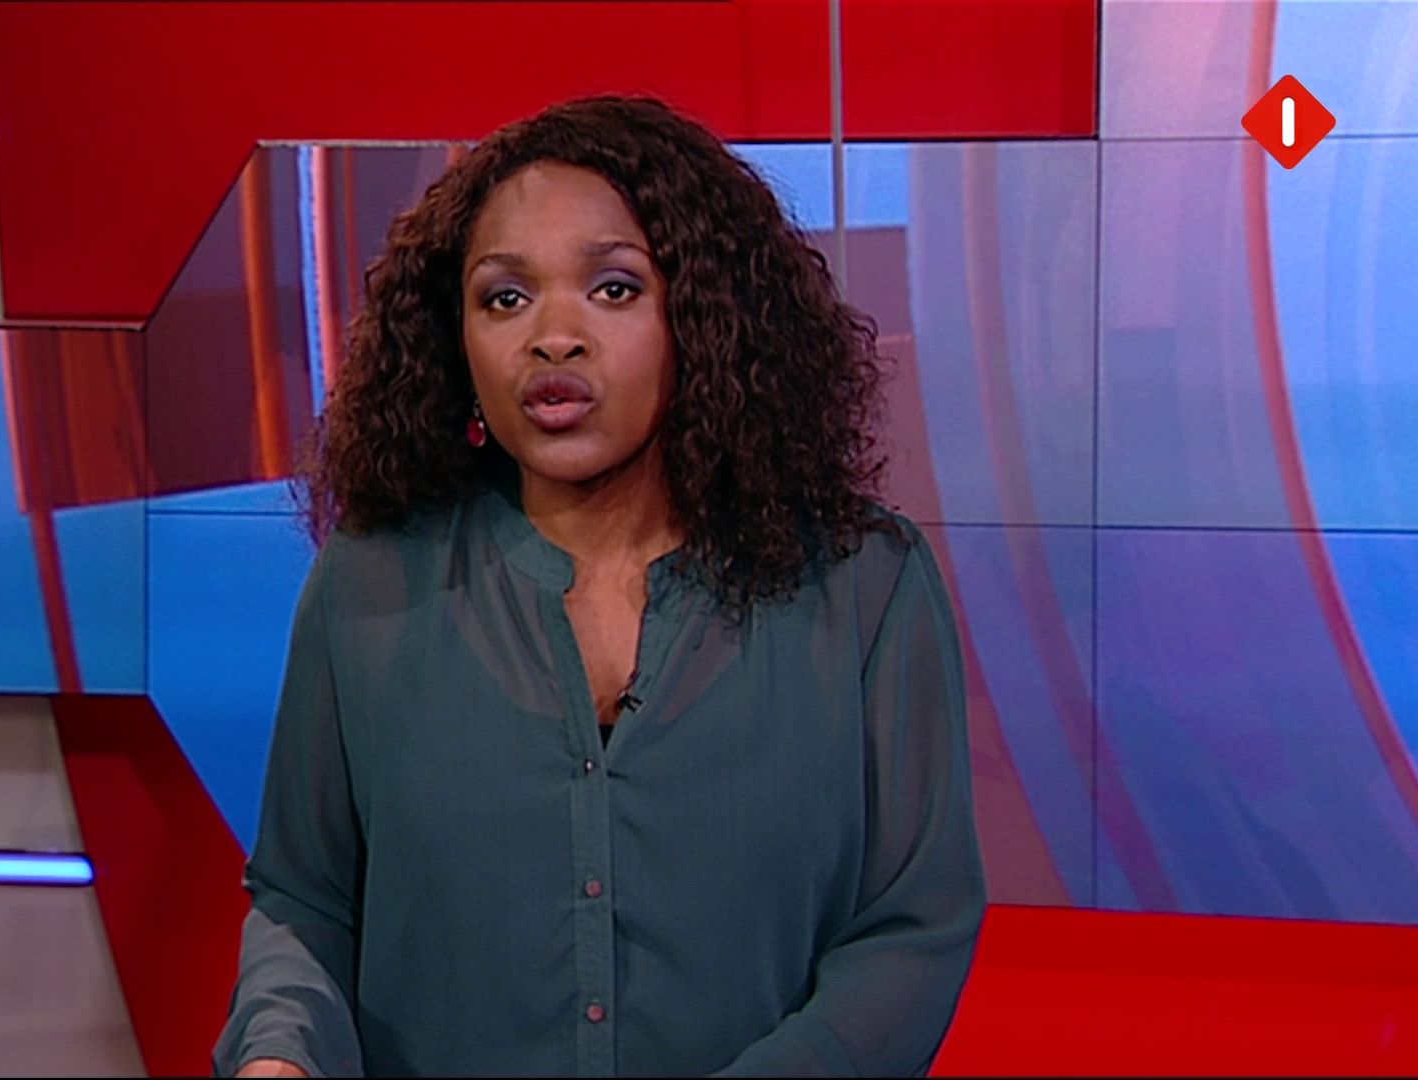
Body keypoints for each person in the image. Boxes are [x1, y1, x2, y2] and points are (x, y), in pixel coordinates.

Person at [213, 94, 985, 1078]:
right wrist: (279, 1055)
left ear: (700, 318)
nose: (553, 337)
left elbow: (911, 929)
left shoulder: (863, 584)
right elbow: (305, 901)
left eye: (613, 289)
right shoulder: (369, 582)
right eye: (505, 298)